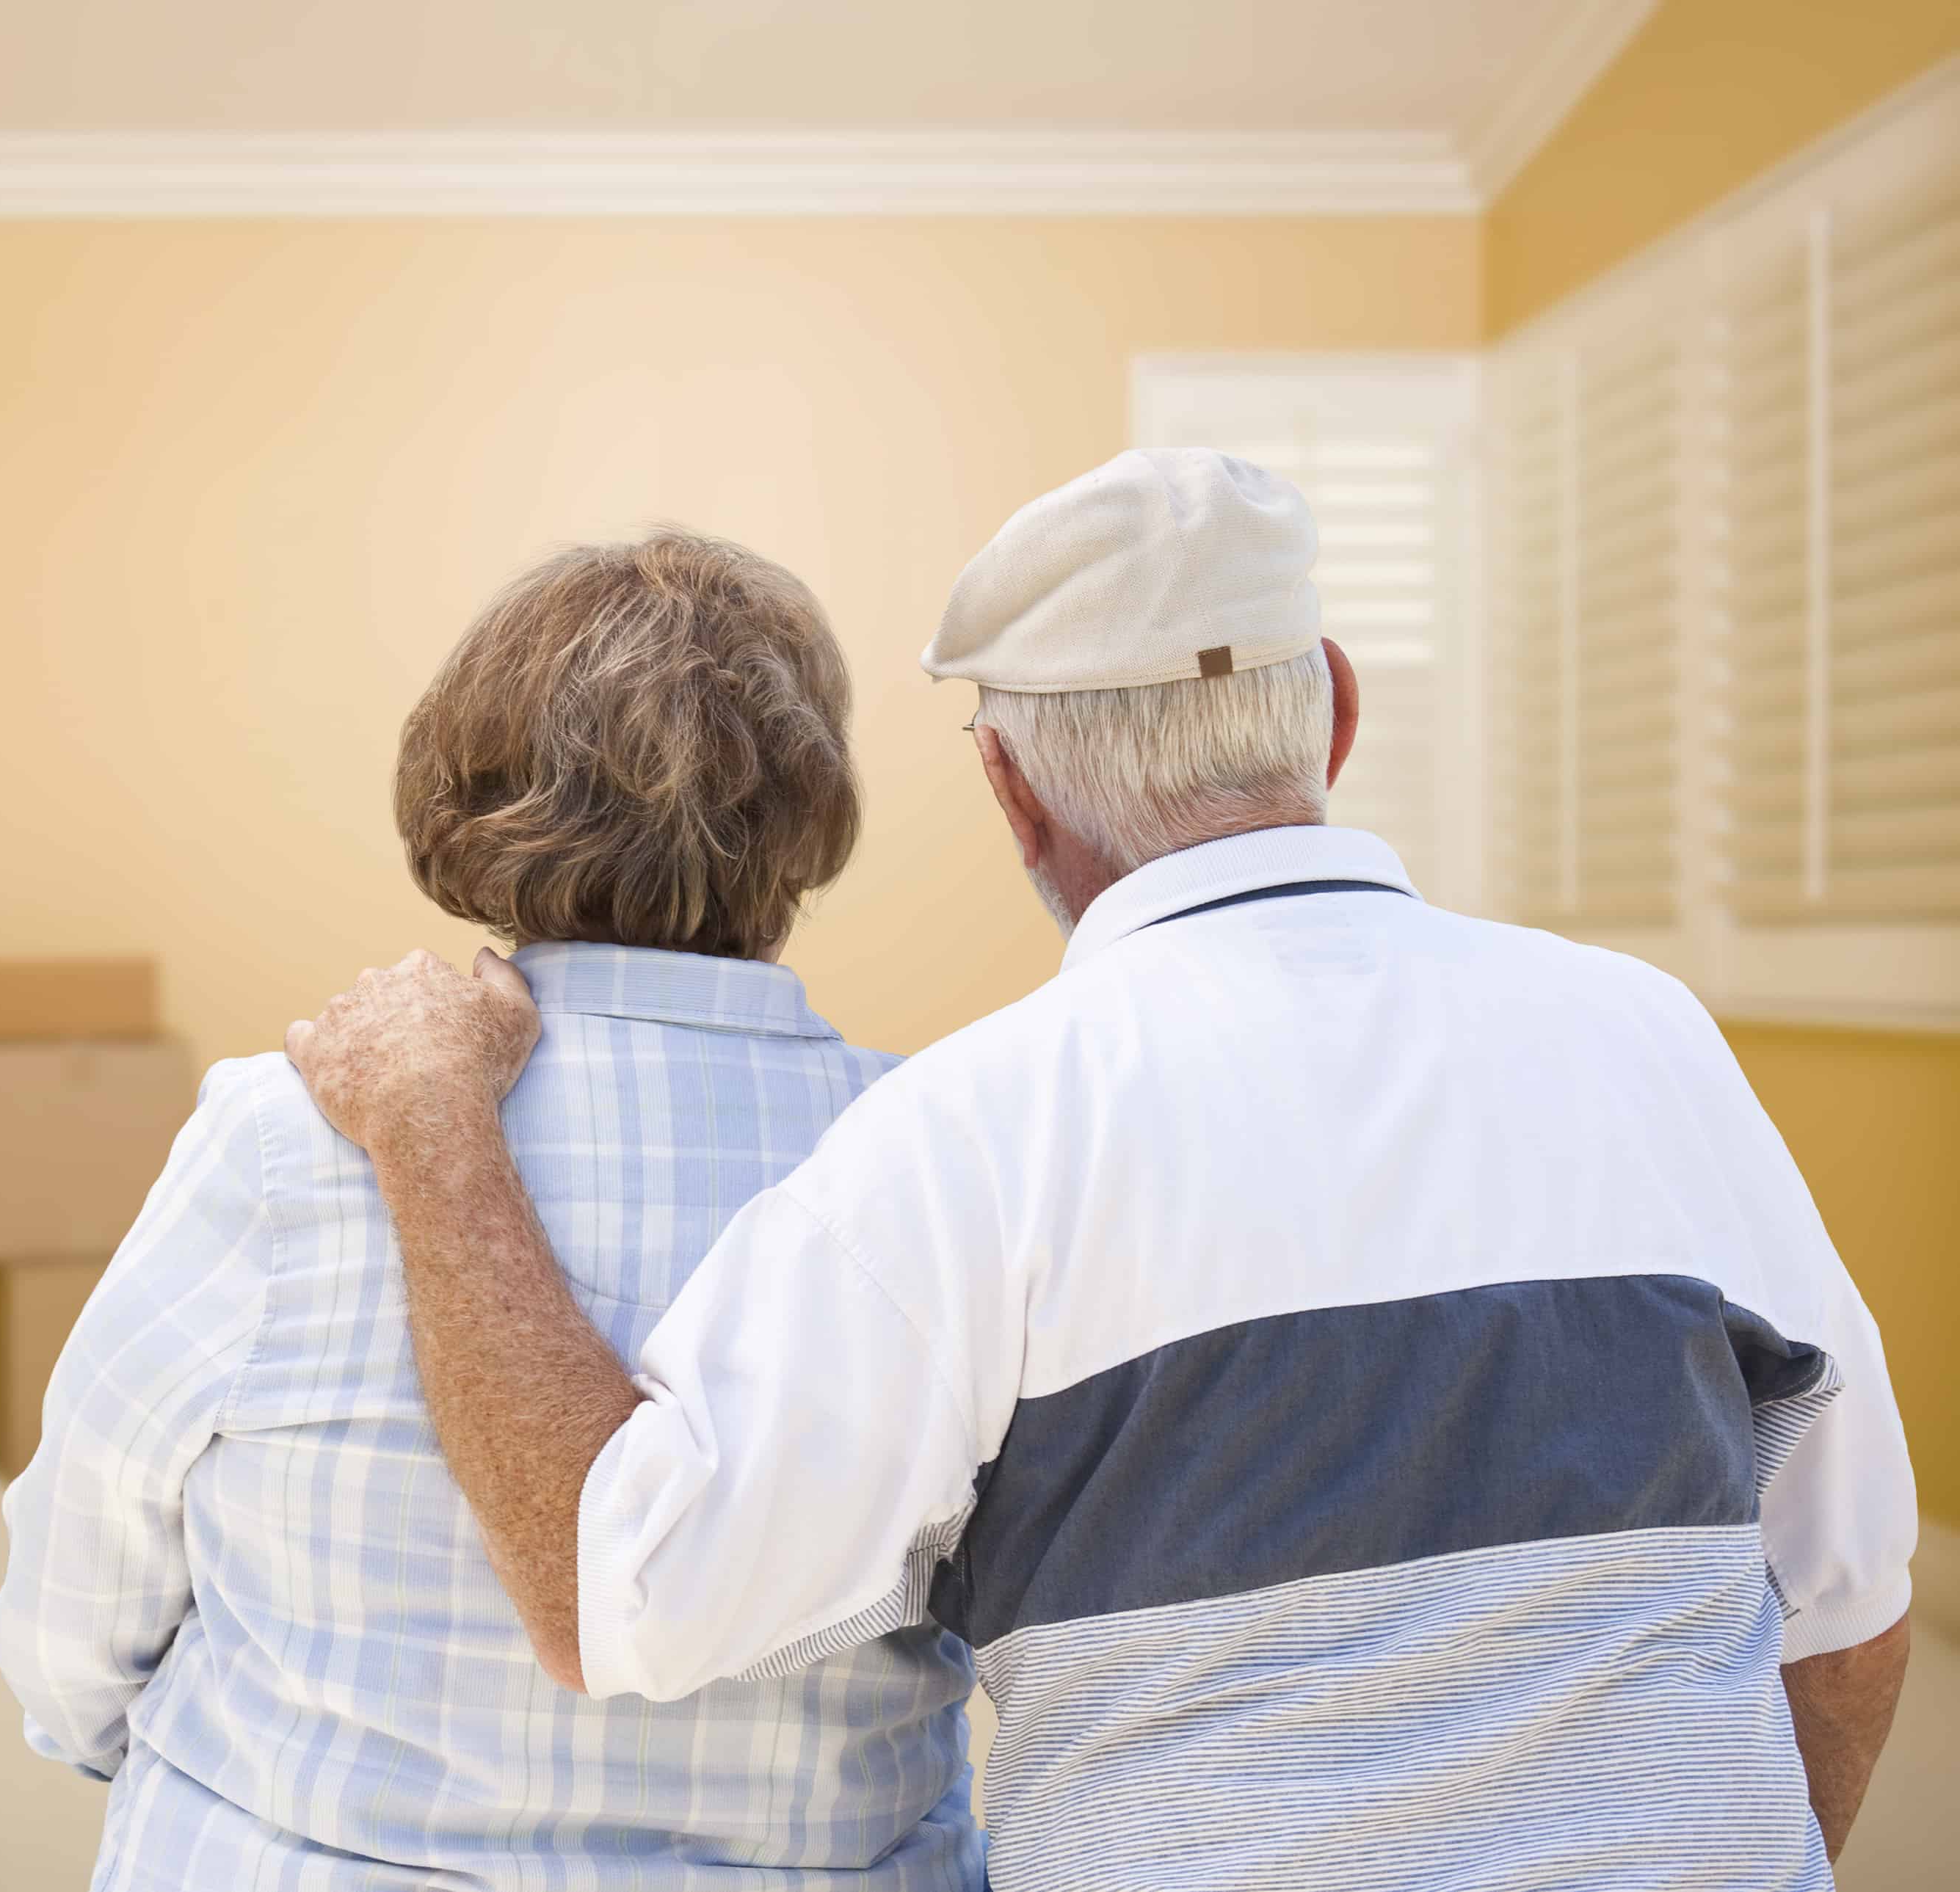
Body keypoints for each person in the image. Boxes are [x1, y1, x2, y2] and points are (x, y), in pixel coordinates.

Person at [283, 450, 1920, 1891]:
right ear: (1333, 708)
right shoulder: (1644, 1035)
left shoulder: (973, 1134)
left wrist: (434, 1127)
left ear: (1007, 789)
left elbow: (613, 1592)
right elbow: (1842, 1608)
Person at [0, 530, 984, 1888]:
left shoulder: (289, 1131)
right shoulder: (944, 1156)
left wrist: (154, 1765)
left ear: (469, 785)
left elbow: (82, 1569)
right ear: (810, 811)